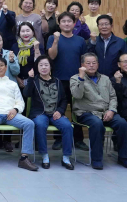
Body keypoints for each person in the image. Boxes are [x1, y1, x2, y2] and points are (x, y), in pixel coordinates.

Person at [71, 53, 127, 170]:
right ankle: (97, 159)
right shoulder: (75, 78)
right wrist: (81, 78)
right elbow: (77, 95)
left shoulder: (105, 78)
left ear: (98, 64)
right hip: (86, 112)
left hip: (106, 112)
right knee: (97, 124)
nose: (91, 65)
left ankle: (124, 157)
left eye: (94, 63)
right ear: (82, 65)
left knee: (123, 124)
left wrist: (112, 110)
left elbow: (113, 97)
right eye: (88, 63)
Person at [0, 57, 38, 172]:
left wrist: (15, 109)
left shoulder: (12, 83)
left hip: (11, 114)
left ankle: (24, 158)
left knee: (29, 123)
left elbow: (20, 102)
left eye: (1, 65)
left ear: (6, 67)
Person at [46, 12, 88, 151]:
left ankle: (79, 139)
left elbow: (84, 60)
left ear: (74, 23)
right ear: (59, 23)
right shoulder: (52, 38)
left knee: (78, 109)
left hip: (76, 80)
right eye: (63, 21)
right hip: (58, 80)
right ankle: (58, 139)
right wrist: (56, 40)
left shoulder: (80, 40)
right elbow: (51, 56)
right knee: (58, 110)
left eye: (69, 21)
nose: (66, 23)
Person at [23, 56, 74, 170]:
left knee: (67, 126)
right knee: (40, 125)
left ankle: (66, 157)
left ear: (50, 67)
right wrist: (30, 78)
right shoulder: (34, 81)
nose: (43, 67)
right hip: (40, 113)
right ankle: (44, 156)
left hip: (56, 113)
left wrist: (60, 111)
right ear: (37, 67)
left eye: (46, 65)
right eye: (41, 65)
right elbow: (26, 94)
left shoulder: (57, 81)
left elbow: (64, 99)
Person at [12, 22, 44, 89]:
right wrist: (17, 78)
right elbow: (12, 64)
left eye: (28, 31)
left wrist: (36, 49)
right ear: (19, 33)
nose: (25, 33)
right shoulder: (15, 46)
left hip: (34, 79)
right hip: (19, 79)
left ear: (33, 32)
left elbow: (40, 63)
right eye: (23, 31)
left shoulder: (38, 45)